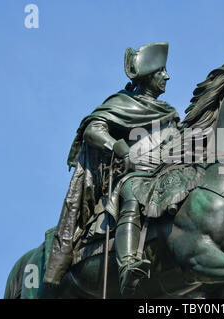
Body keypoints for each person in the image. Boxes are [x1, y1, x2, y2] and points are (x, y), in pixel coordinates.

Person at [44, 42, 181, 296]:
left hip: (163, 176)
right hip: (130, 176)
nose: (167, 76)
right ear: (149, 75)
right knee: (132, 191)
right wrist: (118, 148)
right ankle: (128, 264)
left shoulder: (169, 113)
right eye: (161, 71)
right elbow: (93, 130)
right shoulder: (122, 103)